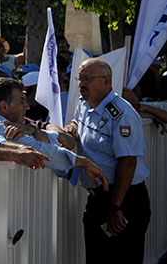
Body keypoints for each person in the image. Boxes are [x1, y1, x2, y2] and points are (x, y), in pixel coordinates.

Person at [64, 58, 150, 263]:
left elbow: (128, 162)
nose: (81, 84)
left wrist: (115, 207)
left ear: (107, 82)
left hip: (123, 198)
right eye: (79, 79)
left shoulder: (121, 114)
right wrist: (72, 127)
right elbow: (78, 120)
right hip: (98, 197)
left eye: (88, 79)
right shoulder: (85, 103)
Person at [0, 78, 109, 184]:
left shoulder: (3, 124)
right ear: (4, 106)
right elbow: (41, 151)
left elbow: (63, 141)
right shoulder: (2, 128)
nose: (27, 107)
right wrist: (83, 162)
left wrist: (36, 132)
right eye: (21, 102)